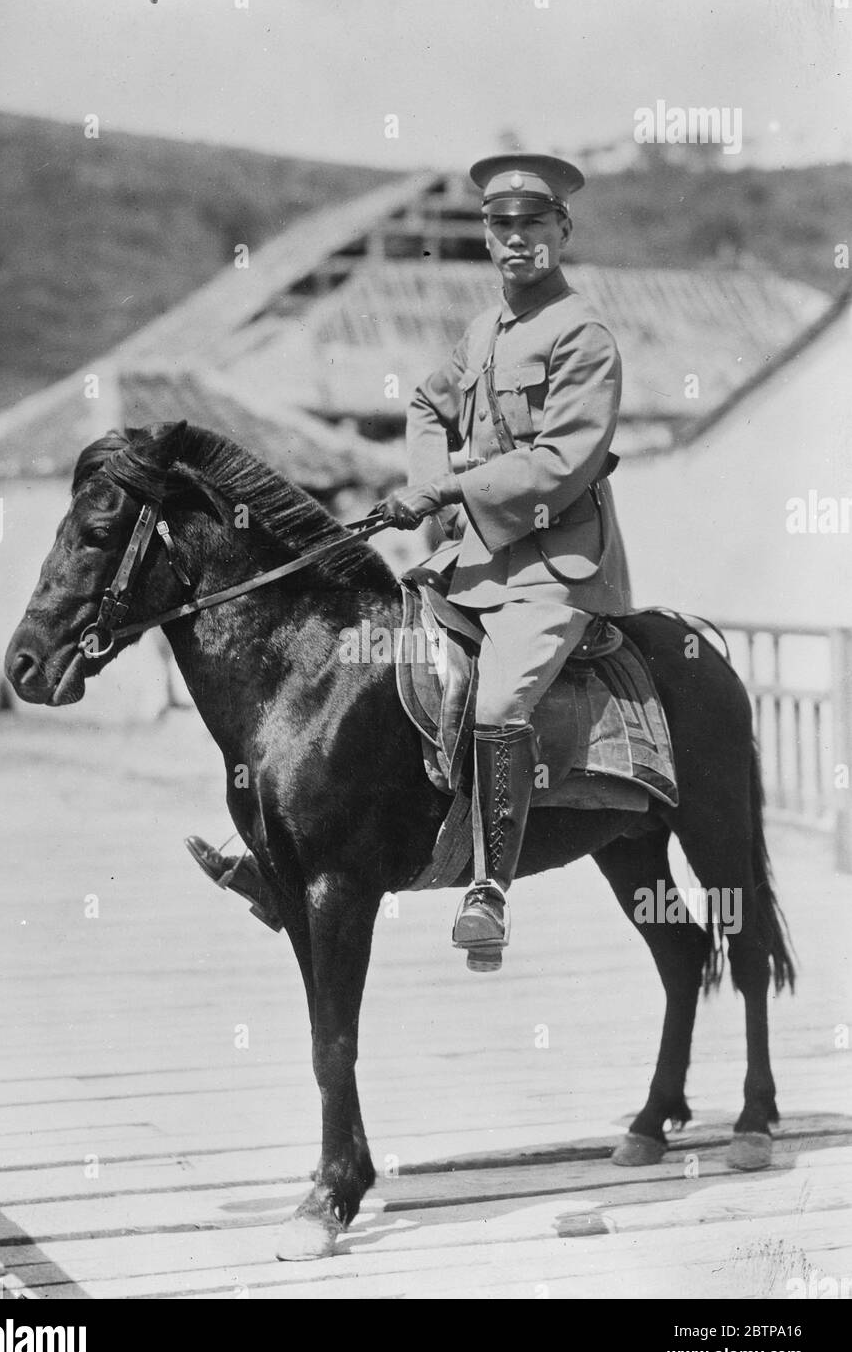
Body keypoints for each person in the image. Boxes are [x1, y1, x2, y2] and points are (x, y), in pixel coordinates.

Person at [186, 154, 631, 964]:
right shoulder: (482, 334)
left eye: (534, 225)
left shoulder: (584, 336)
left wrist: (441, 493)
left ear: (561, 231)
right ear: (488, 239)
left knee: (498, 704)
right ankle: (289, 850)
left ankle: (489, 891)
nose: (516, 241)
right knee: (369, 668)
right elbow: (428, 403)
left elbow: (560, 465)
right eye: (501, 227)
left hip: (552, 569)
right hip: (470, 562)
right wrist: (429, 485)